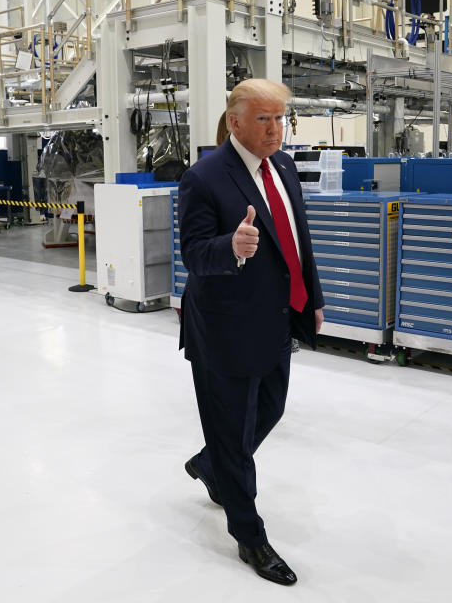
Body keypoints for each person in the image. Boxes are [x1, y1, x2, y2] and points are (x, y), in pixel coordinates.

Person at [178, 78, 324, 586]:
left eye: (281, 118)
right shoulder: (204, 177)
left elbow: (298, 240)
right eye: (264, 119)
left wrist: (314, 299)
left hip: (277, 317)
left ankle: (212, 465)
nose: (275, 128)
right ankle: (250, 537)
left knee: (271, 409)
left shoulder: (282, 166)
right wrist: (230, 246)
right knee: (234, 434)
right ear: (235, 122)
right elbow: (194, 254)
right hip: (224, 328)